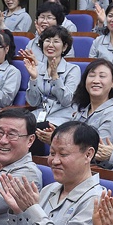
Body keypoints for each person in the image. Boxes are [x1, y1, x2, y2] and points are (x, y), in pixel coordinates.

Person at [21, 25, 80, 155]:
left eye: (56, 41)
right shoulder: (38, 68)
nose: (50, 45)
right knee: (15, 125)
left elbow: (66, 101)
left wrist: (55, 77)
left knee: (36, 129)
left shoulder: (73, 69)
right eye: (47, 40)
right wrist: (33, 78)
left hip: (61, 117)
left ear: (64, 47)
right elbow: (32, 102)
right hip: (39, 115)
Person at [69, 59, 113, 148]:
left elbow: (94, 149)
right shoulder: (81, 110)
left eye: (102, 76)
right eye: (92, 75)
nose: (96, 81)